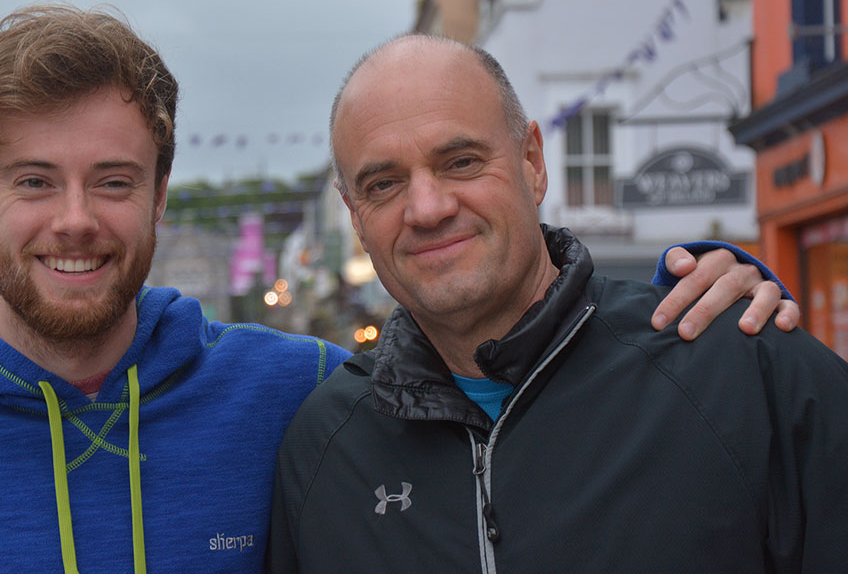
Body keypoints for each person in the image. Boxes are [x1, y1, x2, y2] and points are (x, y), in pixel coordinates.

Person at [0, 6, 794, 574]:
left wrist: (693, 292)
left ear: (160, 196)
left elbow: (498, 367)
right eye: (34, 181)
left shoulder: (300, 396)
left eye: (113, 181)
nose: (76, 219)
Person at [269, 36, 848, 573]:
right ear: (356, 218)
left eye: (462, 161)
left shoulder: (743, 373)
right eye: (384, 184)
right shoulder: (324, 448)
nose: (427, 208)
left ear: (533, 162)